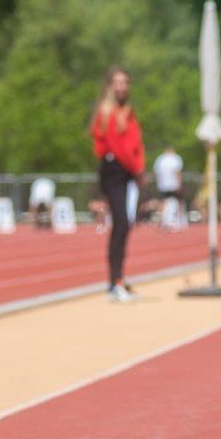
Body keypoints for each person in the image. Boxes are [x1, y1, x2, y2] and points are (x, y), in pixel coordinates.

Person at [90, 68, 145, 301]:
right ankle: (115, 282)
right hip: (115, 171)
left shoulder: (128, 112)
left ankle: (118, 278)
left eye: (126, 82)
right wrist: (137, 167)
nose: (123, 87)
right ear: (111, 86)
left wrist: (138, 166)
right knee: (121, 224)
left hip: (128, 171)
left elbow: (136, 143)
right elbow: (117, 146)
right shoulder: (108, 112)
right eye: (118, 82)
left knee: (125, 225)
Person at [151, 145, 184, 230]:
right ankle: (178, 220)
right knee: (178, 201)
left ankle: (163, 221)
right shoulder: (176, 158)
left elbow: (156, 172)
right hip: (173, 184)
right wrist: (179, 183)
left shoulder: (160, 159)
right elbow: (178, 172)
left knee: (163, 202)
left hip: (163, 185)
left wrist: (158, 183)